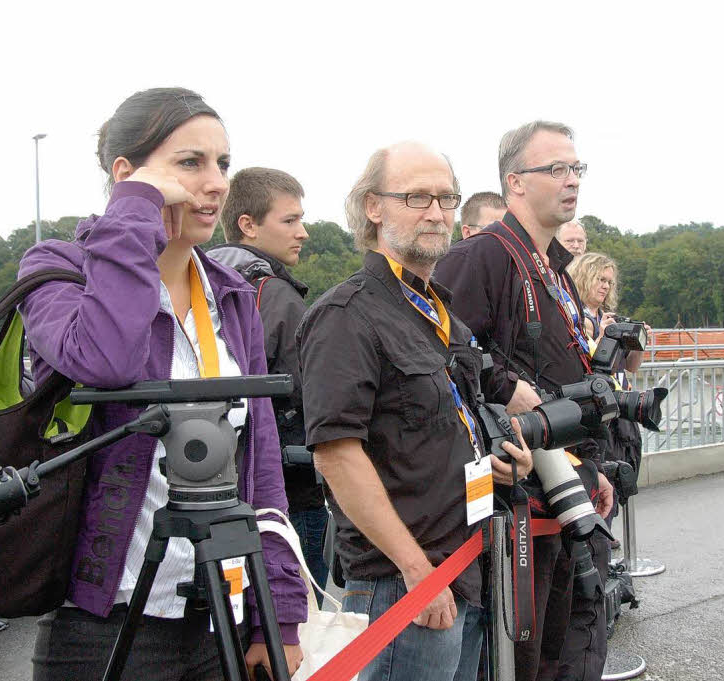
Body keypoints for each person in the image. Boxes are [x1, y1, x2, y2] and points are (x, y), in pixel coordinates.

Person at [18, 88, 306, 681]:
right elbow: (104, 359)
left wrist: (276, 612)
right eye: (190, 163)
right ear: (127, 175)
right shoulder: (56, 269)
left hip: (217, 609)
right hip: (104, 615)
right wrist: (135, 211)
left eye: (222, 164)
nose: (216, 182)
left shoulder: (230, 294)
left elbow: (261, 463)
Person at [297, 141, 533, 681]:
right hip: (402, 579)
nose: (436, 212)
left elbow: (444, 428)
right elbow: (337, 454)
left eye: (446, 198)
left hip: (466, 563)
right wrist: (415, 569)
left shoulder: (439, 313)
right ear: (373, 207)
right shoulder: (346, 315)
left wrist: (495, 460)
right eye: (416, 197)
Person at [435, 121, 613, 681]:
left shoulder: (551, 266)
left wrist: (591, 467)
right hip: (518, 498)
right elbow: (440, 353)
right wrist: (507, 389)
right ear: (515, 182)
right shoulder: (482, 257)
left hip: (564, 477)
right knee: (526, 658)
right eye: (555, 168)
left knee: (574, 637)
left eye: (576, 168)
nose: (571, 180)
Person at [209, 168, 329, 598]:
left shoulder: (201, 284)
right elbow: (313, 393)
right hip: (288, 489)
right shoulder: (276, 295)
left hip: (218, 482)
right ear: (248, 225)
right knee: (295, 622)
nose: (304, 232)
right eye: (290, 220)